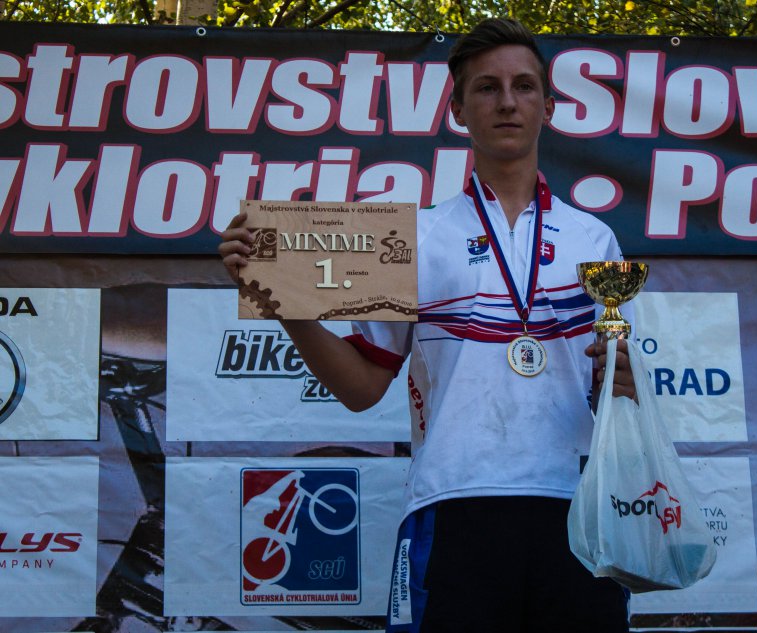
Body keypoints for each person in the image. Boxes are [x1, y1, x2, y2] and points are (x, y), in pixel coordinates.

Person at [219, 17, 637, 633]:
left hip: (578, 507)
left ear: (548, 106)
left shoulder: (593, 239)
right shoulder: (413, 237)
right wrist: (286, 303)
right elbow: (362, 388)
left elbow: (618, 393)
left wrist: (625, 383)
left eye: (524, 86)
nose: (507, 102)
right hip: (452, 503)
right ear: (458, 110)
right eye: (487, 87)